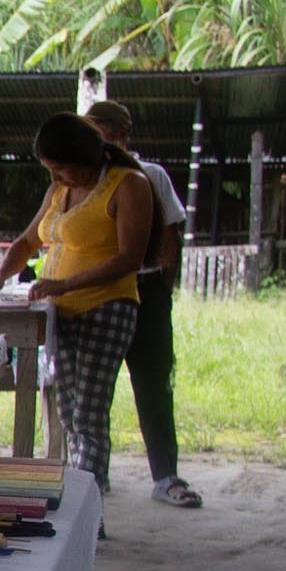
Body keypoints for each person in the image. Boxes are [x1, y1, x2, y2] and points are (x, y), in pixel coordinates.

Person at [0, 113, 152, 499]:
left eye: (60, 168)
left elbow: (130, 258)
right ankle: (84, 491)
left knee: (88, 414)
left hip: (107, 309)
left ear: (85, 157)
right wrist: (0, 275)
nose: (55, 177)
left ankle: (88, 502)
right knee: (69, 412)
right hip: (61, 313)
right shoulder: (59, 191)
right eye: (50, 170)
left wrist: (65, 284)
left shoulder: (129, 185)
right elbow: (28, 241)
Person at [84, 99, 202, 508]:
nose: (93, 140)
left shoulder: (150, 175)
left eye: (98, 130)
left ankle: (166, 477)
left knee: (153, 384)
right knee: (92, 394)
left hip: (146, 290)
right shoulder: (83, 180)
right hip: (98, 292)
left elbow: (171, 234)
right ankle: (92, 479)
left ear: (121, 133)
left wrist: (162, 287)